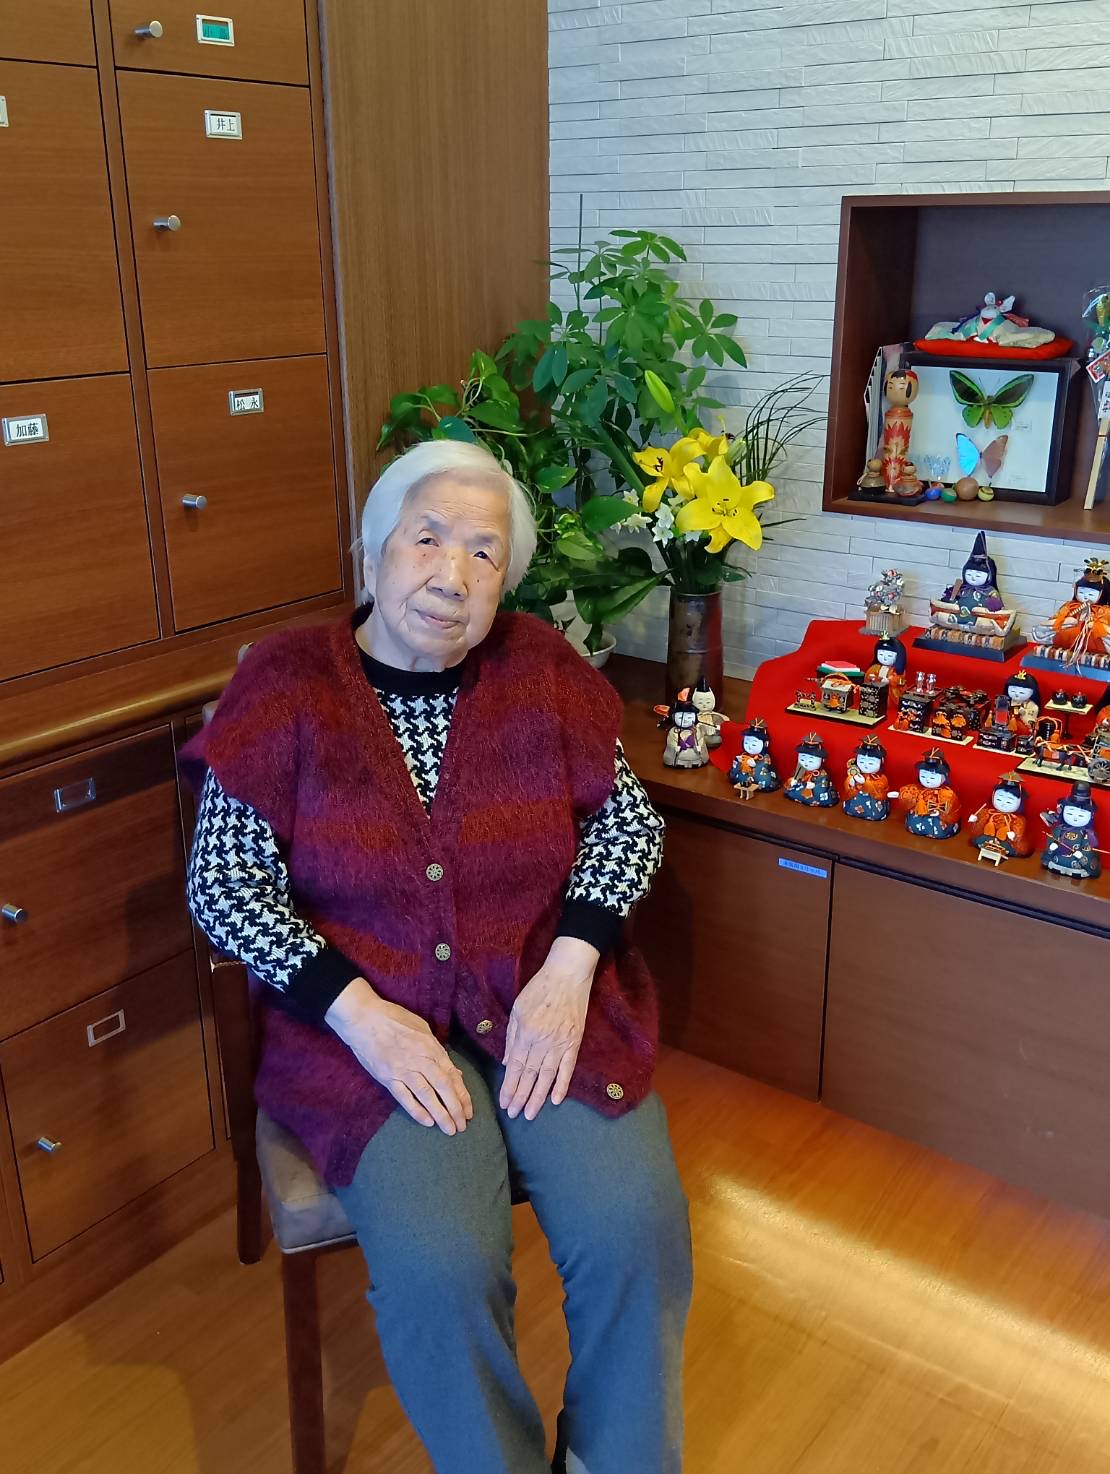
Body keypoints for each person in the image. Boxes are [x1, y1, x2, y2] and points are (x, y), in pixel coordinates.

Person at [180, 440, 692, 1474]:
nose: (452, 574)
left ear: (506, 583)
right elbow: (224, 885)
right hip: (361, 1032)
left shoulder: (542, 671)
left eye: (484, 553)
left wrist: (571, 967)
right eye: (427, 539)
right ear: (372, 552)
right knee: (442, 1264)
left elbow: (627, 825)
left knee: (635, 1225)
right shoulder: (287, 682)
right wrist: (359, 1013)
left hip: (541, 1004)